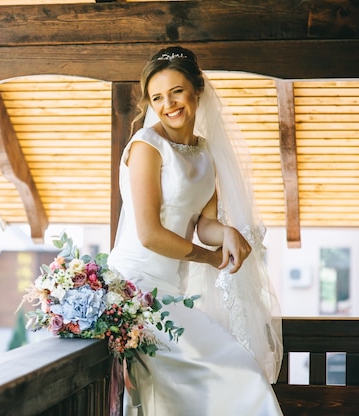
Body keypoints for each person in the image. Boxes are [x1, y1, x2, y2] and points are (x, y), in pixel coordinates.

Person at [108, 46, 284, 415]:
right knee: (240, 379)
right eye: (157, 97)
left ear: (196, 90)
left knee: (229, 379)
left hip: (173, 293)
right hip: (135, 292)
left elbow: (203, 224)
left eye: (176, 91)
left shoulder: (204, 152)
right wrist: (211, 258)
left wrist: (228, 233)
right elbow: (150, 234)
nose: (167, 104)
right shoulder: (146, 146)